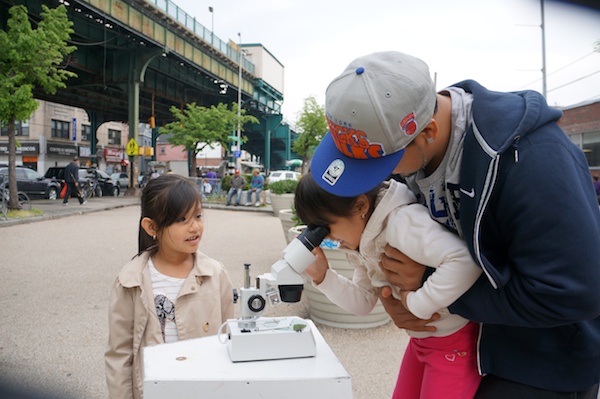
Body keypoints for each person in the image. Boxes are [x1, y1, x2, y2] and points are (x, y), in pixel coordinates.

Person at [310, 51, 600, 398]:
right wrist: (392, 298)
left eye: (380, 164)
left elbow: (574, 293)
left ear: (428, 130)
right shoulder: (408, 142)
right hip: (466, 335)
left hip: (542, 356)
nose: (380, 178)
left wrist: (430, 288)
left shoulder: (535, 160)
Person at [296, 173, 482, 398]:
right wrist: (323, 276)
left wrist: (418, 304)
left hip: (454, 343)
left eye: (326, 227)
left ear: (361, 206)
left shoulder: (401, 222)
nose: (330, 238)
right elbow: (364, 302)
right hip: (421, 342)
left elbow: (465, 261)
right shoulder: (366, 237)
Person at [105, 174, 234, 399]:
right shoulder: (131, 281)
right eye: (182, 219)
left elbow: (229, 339)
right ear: (151, 226)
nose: (195, 227)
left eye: (198, 215)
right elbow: (120, 355)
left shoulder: (215, 275)